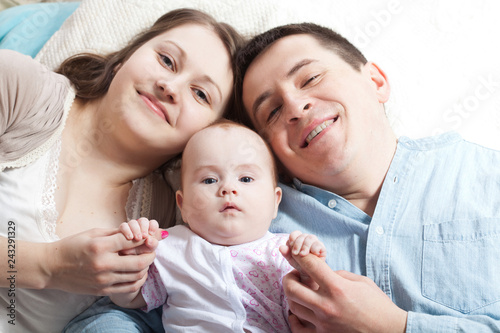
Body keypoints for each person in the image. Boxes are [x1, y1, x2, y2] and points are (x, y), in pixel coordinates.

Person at [233, 22, 500, 332]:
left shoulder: (486, 177)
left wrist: (393, 327)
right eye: (273, 111)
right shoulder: (248, 226)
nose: (294, 106)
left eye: (311, 78)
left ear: (376, 81)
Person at [0, 8, 244, 332]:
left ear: (209, 132)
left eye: (200, 94)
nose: (170, 86)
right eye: (167, 61)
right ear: (125, 57)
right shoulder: (18, 87)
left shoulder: (174, 217)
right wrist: (49, 266)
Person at [109, 120, 327, 332]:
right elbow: (132, 299)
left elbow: (308, 315)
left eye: (246, 178)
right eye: (209, 180)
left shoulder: (284, 252)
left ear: (275, 201)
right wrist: (132, 257)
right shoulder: (170, 247)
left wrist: (308, 275)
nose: (228, 188)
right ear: (182, 205)